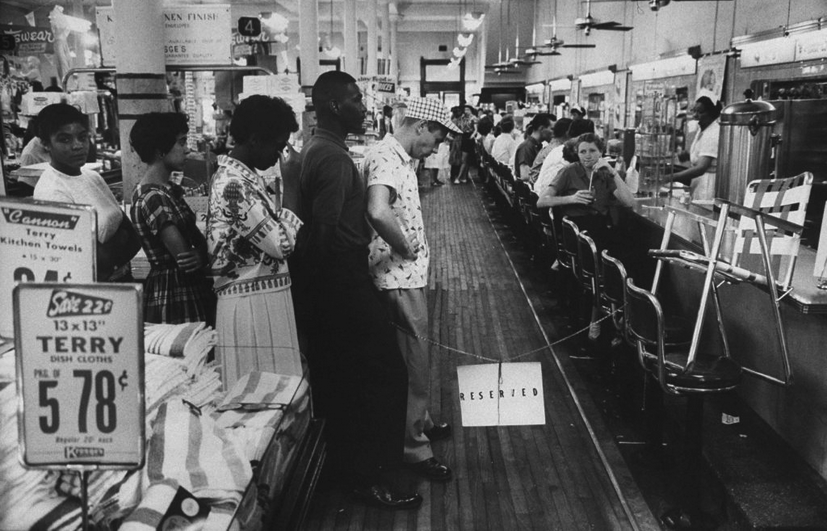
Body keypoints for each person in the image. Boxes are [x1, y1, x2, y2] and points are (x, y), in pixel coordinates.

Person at [292, 71, 419, 510]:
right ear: (333, 106)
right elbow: (324, 233)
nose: (364, 107)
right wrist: (331, 298)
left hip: (333, 281)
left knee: (344, 379)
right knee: (383, 375)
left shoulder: (320, 150)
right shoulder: (331, 158)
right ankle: (371, 477)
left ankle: (344, 468)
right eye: (355, 99)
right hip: (339, 279)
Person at [365, 97, 459, 484]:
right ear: (420, 126)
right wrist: (404, 246)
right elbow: (377, 210)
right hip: (397, 278)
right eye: (435, 139)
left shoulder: (398, 158)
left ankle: (419, 421)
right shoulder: (386, 157)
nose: (436, 148)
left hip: (404, 278)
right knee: (414, 362)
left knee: (412, 359)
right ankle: (413, 447)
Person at [206, 95, 304, 388]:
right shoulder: (233, 185)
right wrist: (294, 186)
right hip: (250, 304)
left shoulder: (245, 179)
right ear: (253, 139)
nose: (279, 154)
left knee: (272, 389)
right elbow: (280, 244)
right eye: (277, 145)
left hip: (262, 297)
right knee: (255, 392)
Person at [537, 133, 635, 339]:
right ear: (576, 153)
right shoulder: (569, 172)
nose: (587, 156)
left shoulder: (604, 175)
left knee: (631, 258)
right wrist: (571, 198)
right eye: (583, 151)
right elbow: (542, 201)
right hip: (579, 232)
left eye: (592, 151)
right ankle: (599, 316)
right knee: (606, 265)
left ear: (601, 153)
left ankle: (621, 315)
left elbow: (628, 202)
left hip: (600, 228)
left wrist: (613, 173)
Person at [33, 103, 140, 281]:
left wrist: (110, 245)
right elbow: (92, 261)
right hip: (95, 290)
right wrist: (120, 238)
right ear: (45, 144)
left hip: (124, 279)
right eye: (64, 140)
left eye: (82, 137)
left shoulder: (93, 177)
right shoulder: (51, 191)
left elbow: (134, 238)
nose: (78, 146)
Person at [129, 112, 215, 326]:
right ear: (160, 150)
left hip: (177, 288)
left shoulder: (167, 191)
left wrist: (201, 251)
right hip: (174, 293)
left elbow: (198, 247)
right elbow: (185, 257)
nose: (187, 149)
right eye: (181, 142)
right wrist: (202, 252)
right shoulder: (154, 197)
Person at [665, 95, 722, 201]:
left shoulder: (713, 133)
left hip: (707, 185)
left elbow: (701, 168)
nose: (695, 115)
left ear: (710, 113)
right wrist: (688, 155)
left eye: (700, 112)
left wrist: (671, 177)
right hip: (698, 183)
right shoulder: (703, 129)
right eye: (694, 111)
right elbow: (704, 154)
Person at [529, 117, 569, 191]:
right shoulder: (558, 150)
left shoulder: (551, 147)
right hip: (540, 191)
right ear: (567, 133)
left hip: (536, 189)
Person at [515, 113, 554, 182]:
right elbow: (525, 176)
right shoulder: (526, 147)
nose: (554, 133)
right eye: (552, 129)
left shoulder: (536, 146)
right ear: (541, 128)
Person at [453, 103, 479, 184]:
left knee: (464, 159)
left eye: (468, 109)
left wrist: (472, 135)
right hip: (463, 137)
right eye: (465, 109)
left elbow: (476, 129)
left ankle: (459, 177)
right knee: (465, 159)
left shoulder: (473, 118)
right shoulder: (462, 118)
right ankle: (464, 177)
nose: (466, 111)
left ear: (471, 110)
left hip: (469, 138)